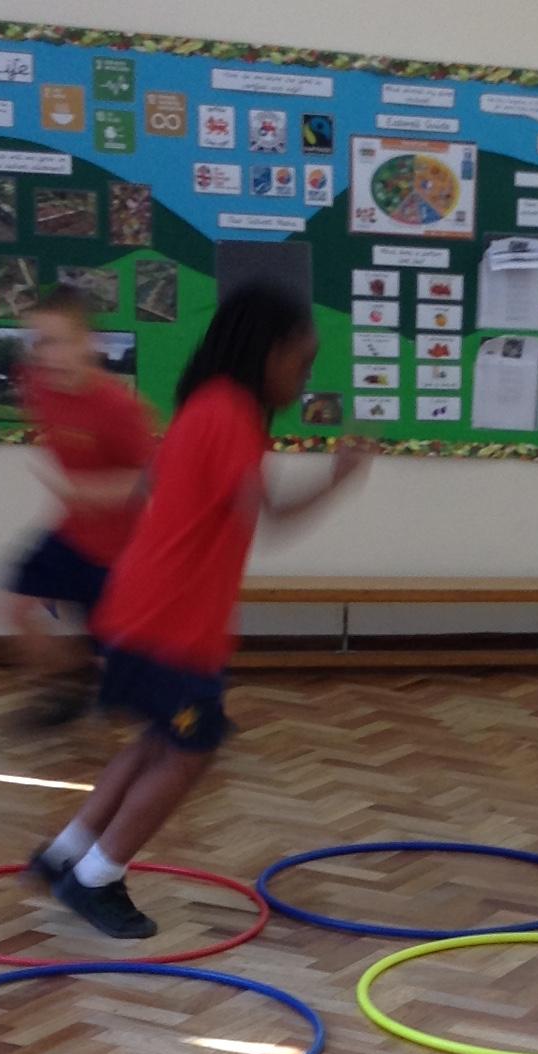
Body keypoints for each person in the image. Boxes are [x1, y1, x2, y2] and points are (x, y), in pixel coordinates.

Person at [28, 282, 373, 940]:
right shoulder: (231, 416)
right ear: (267, 351)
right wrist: (338, 480)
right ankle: (96, 877)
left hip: (143, 611)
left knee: (158, 741)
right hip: (170, 625)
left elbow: (163, 488)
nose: (305, 378)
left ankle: (64, 855)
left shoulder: (205, 405)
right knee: (192, 749)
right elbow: (266, 517)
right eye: (301, 362)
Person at [0, 287, 155, 728]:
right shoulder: (37, 386)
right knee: (12, 608)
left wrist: (88, 491)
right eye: (39, 342)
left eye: (58, 341)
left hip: (118, 553)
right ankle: (67, 687)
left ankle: (136, 690)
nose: (46, 354)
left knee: (122, 693)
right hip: (70, 534)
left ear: (88, 343)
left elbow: (150, 480)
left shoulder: (120, 408)